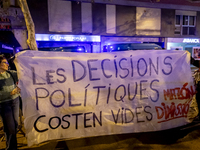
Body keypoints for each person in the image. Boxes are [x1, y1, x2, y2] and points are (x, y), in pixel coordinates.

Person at [0, 54, 21, 150]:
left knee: (15, 125)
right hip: (4, 104)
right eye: (5, 63)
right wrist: (10, 93)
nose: (8, 65)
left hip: (15, 101)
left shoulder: (11, 73)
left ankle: (11, 146)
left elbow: (24, 75)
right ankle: (11, 148)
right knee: (11, 128)